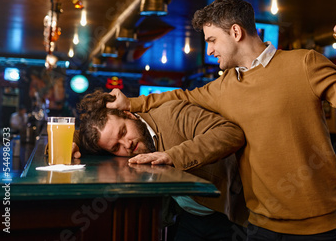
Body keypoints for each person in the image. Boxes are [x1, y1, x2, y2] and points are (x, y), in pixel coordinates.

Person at [107, 0, 336, 240]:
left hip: (319, 226)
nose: (210, 50)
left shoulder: (304, 63)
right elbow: (182, 97)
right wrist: (130, 102)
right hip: (259, 226)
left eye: (212, 40)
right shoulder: (223, 87)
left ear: (236, 32)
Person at [75, 89, 248, 240]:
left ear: (129, 115)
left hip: (229, 214)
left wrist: (172, 156)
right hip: (189, 215)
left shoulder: (173, 114)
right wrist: (66, 145)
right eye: (115, 147)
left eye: (123, 132)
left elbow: (231, 133)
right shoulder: (118, 145)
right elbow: (79, 139)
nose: (126, 144)